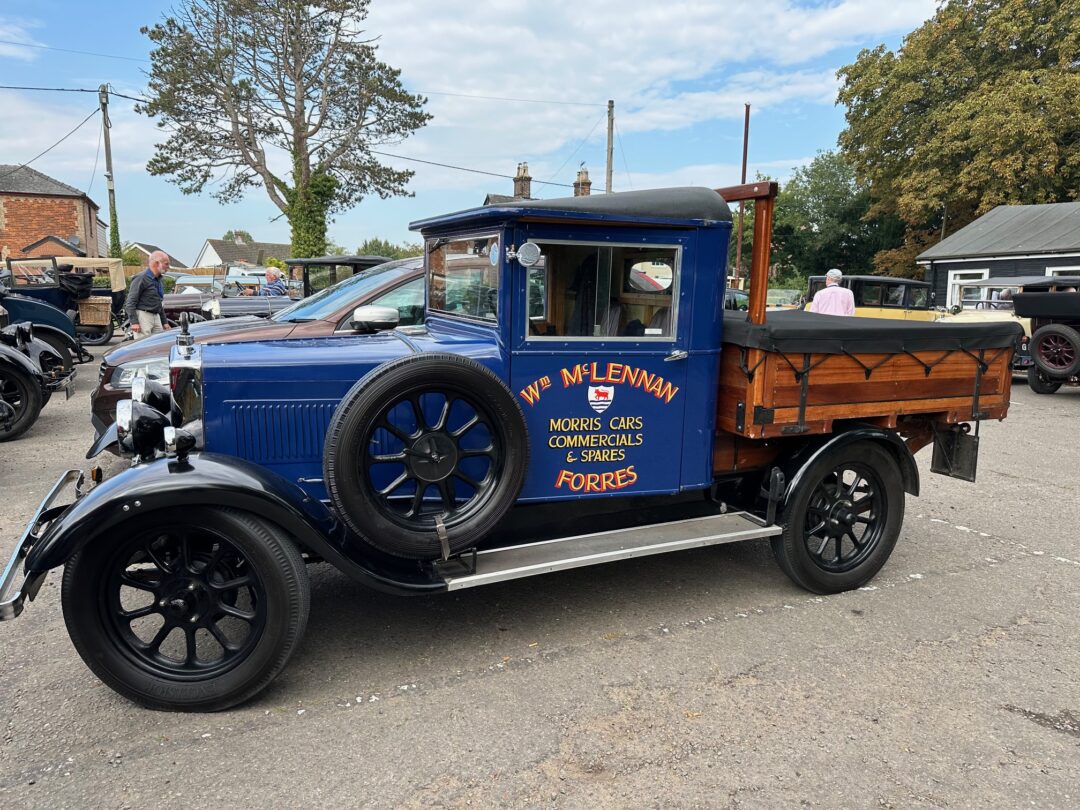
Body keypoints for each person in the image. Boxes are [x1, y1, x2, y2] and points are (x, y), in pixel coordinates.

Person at [126, 250, 171, 338]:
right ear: (156, 263)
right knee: (143, 346)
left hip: (156, 316)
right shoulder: (141, 278)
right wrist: (134, 322)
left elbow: (158, 302)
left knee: (159, 343)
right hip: (144, 317)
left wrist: (164, 322)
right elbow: (130, 301)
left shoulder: (159, 279)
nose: (168, 267)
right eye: (166, 264)